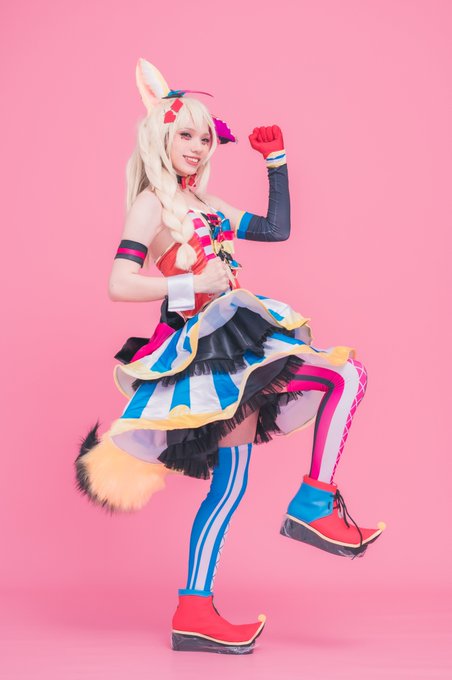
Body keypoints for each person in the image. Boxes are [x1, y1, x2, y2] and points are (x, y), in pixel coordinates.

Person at [75, 58, 385, 655]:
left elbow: (274, 230)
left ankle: (200, 604)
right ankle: (309, 506)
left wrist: (277, 164)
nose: (197, 146)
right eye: (185, 135)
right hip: (208, 345)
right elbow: (119, 283)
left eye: (203, 136)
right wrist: (192, 284)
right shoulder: (151, 205)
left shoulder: (207, 201)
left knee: (243, 472)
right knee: (333, 385)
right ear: (161, 138)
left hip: (235, 337)